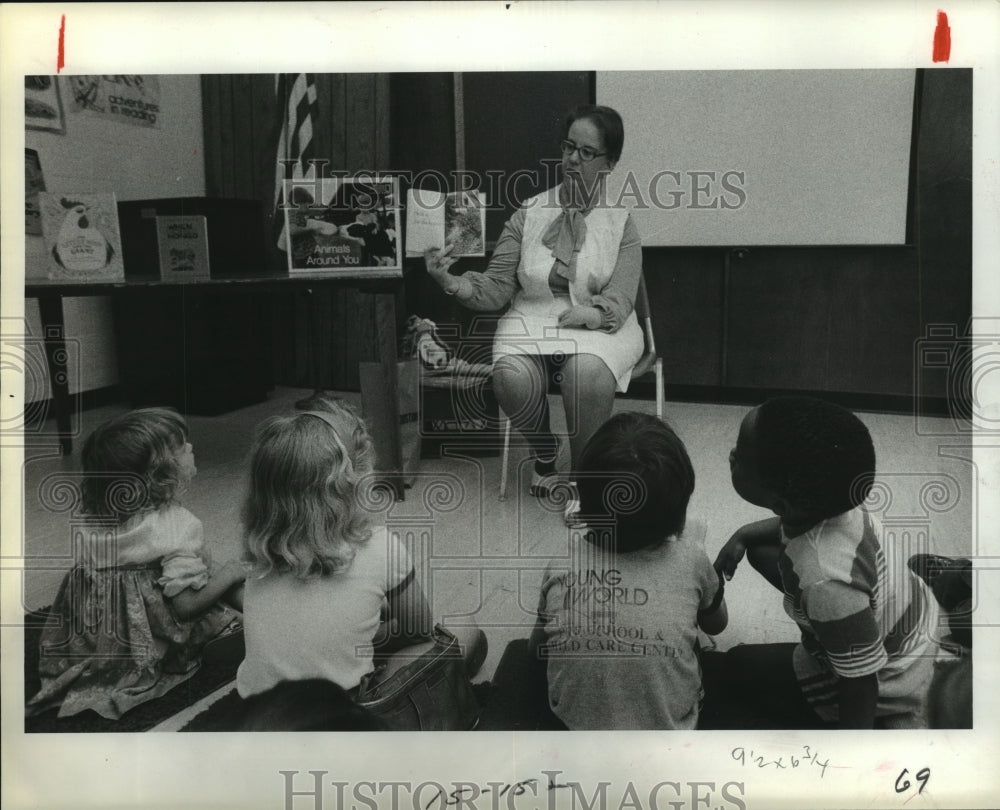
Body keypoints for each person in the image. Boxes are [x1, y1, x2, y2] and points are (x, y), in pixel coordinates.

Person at [424, 105, 644, 523]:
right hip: (532, 318)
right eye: (568, 148)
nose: (573, 160)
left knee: (586, 373)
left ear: (610, 164)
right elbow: (494, 288)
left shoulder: (621, 222)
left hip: (599, 326)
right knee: (509, 374)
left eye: (587, 152)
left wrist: (593, 315)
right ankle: (545, 453)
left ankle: (582, 479)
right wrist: (449, 280)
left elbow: (620, 296)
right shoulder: (528, 213)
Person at [236, 400, 486, 702]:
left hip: (255, 713)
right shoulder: (379, 546)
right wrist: (379, 630)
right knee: (465, 630)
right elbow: (417, 632)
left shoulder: (258, 548)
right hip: (347, 715)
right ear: (354, 481)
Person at [715, 397, 938, 729]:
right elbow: (793, 524)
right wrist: (744, 534)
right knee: (761, 550)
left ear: (781, 503)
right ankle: (828, 629)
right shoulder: (838, 499)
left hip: (891, 677)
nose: (732, 454)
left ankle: (889, 719)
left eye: (741, 455)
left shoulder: (826, 582)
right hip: (910, 623)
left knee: (734, 668)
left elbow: (861, 682)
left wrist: (848, 753)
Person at [26, 408, 246, 720]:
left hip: (95, 639)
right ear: (159, 474)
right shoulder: (176, 527)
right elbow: (184, 606)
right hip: (147, 638)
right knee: (217, 574)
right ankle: (234, 631)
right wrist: (229, 574)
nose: (192, 449)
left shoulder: (93, 518)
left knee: (190, 567)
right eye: (182, 446)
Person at [527, 412, 728, 729]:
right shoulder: (692, 560)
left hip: (572, 725)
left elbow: (534, 649)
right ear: (679, 509)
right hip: (670, 729)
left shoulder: (562, 563)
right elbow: (717, 626)